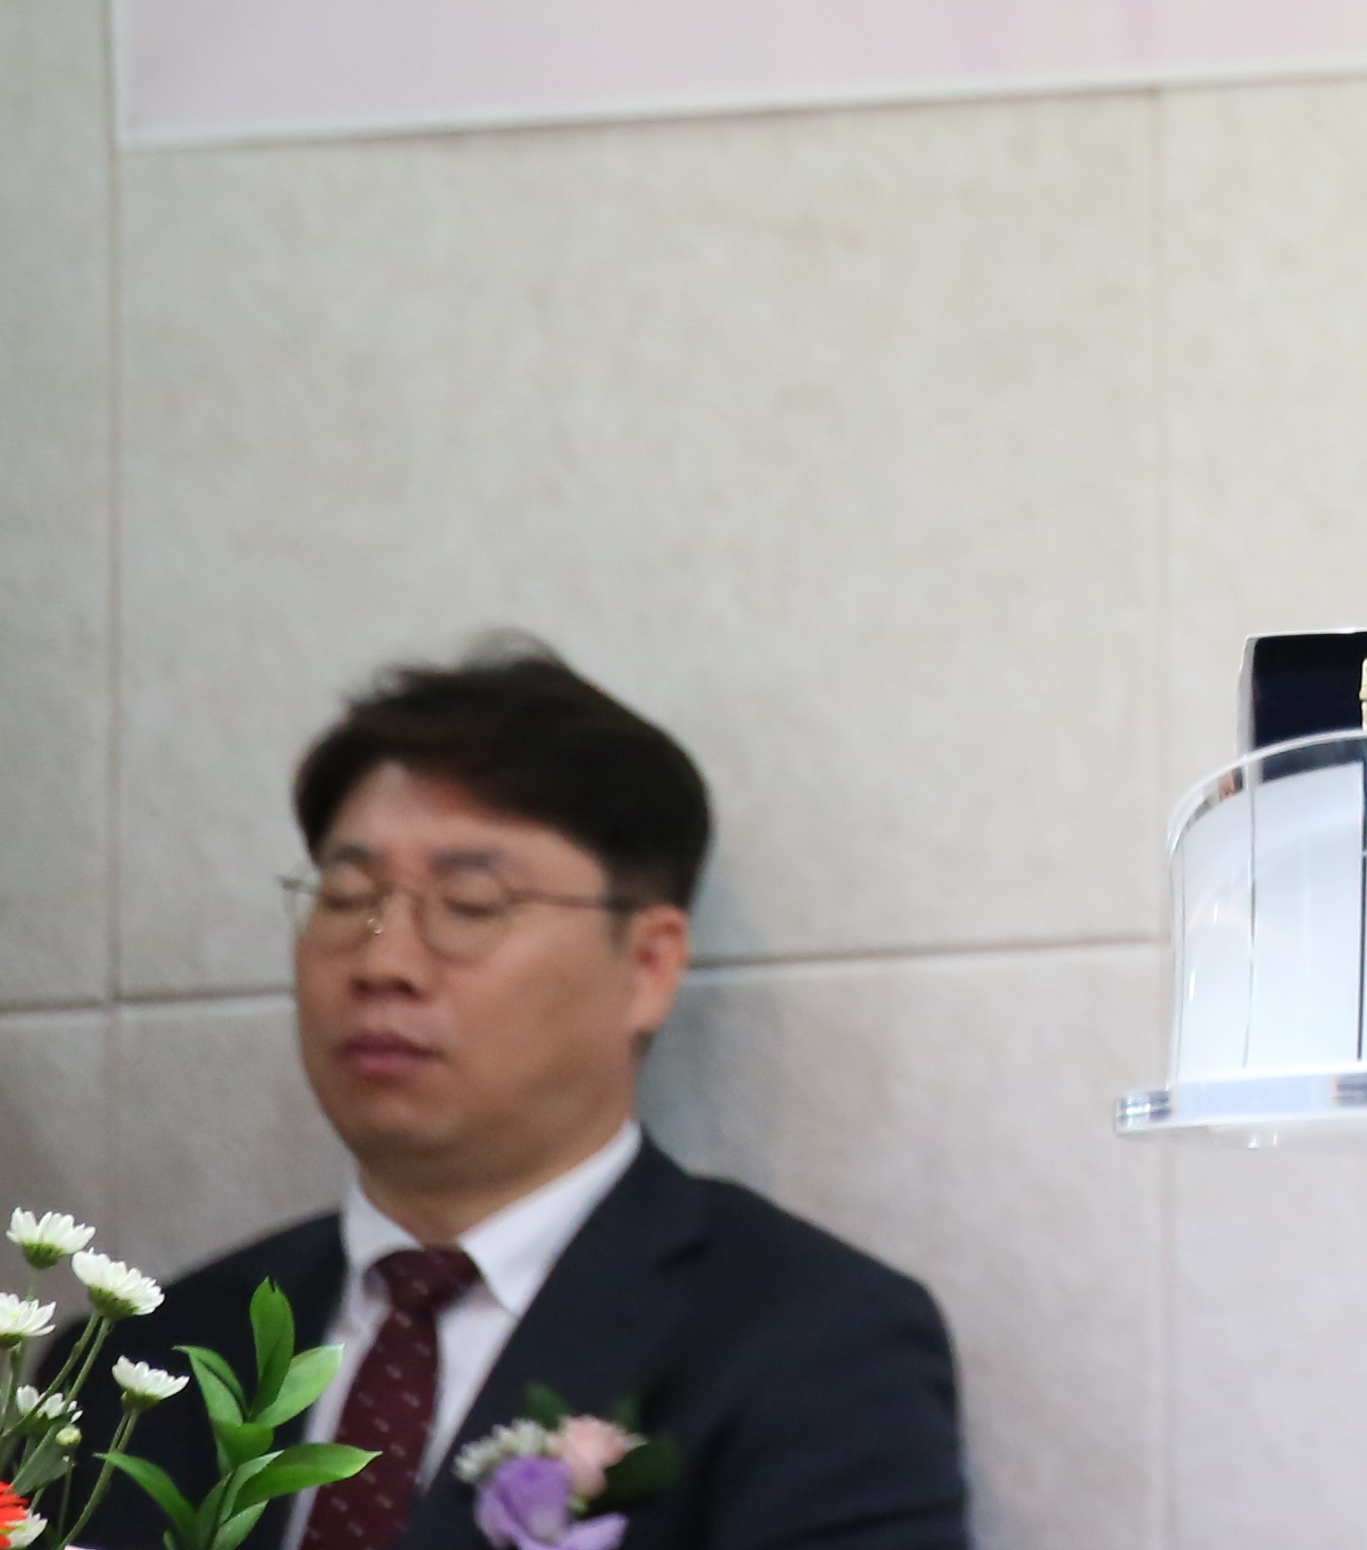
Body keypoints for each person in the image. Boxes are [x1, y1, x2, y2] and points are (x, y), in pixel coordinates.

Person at [107, 648, 968, 1550]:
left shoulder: (813, 1345)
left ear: (648, 967)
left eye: (471, 903)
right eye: (348, 896)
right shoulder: (144, 1356)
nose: (382, 961)